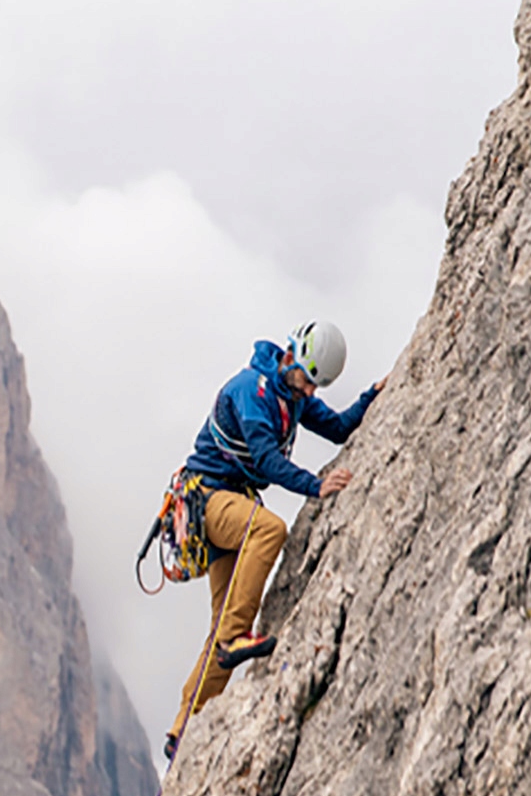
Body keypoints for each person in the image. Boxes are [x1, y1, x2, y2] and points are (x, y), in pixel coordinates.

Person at [164, 321, 386, 762]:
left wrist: (374, 395)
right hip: (208, 500)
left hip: (229, 503)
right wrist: (315, 486)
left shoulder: (293, 395)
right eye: (306, 381)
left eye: (313, 387)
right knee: (267, 530)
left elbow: (339, 427)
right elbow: (265, 460)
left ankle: (182, 728)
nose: (307, 393)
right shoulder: (251, 390)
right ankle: (234, 640)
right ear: (290, 358)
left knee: (224, 618)